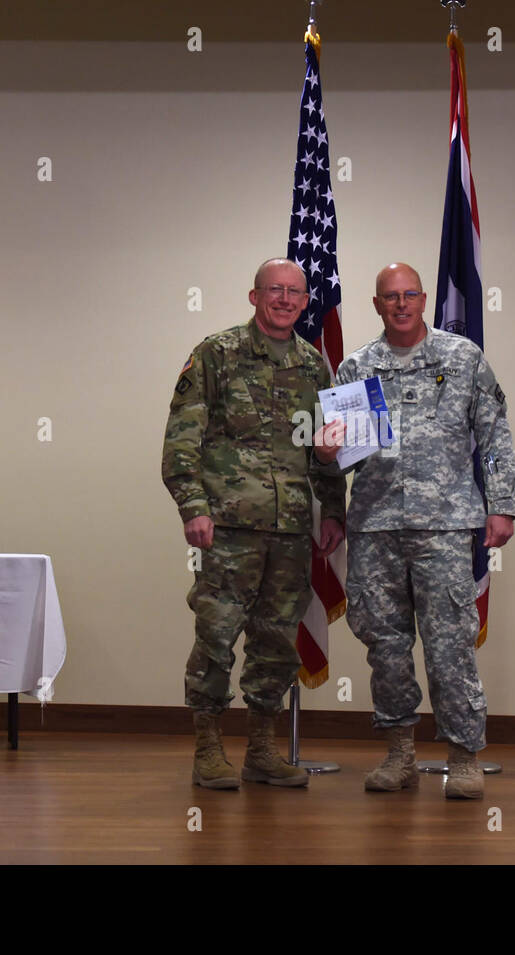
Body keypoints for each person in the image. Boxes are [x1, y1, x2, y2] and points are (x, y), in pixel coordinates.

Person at [316, 262, 515, 799]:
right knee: (384, 644)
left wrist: (502, 505)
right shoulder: (356, 367)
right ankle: (399, 754)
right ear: (377, 304)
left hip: (446, 526)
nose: (401, 304)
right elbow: (336, 457)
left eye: (410, 295)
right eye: (390, 297)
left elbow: (494, 434)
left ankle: (464, 757)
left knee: (450, 644)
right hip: (375, 525)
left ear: (424, 299)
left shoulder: (462, 358)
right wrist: (331, 487)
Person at [162, 258, 345, 790]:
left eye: (294, 292)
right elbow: (181, 439)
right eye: (275, 291)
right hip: (226, 528)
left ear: (304, 301)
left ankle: (261, 748)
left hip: (290, 529)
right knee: (216, 633)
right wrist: (192, 507)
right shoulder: (216, 354)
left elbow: (322, 447)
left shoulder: (313, 366)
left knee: (275, 640)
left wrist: (332, 509)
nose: (285, 300)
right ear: (254, 296)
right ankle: (207, 745)